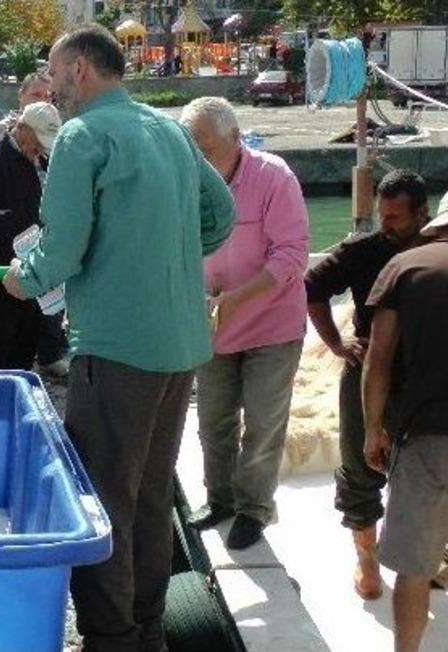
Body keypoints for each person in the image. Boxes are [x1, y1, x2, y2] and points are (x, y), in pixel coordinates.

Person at [2, 26, 234, 652]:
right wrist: (167, 249)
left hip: (116, 349)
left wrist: (22, 278)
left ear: (79, 70)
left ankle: (112, 638)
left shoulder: (82, 137)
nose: (51, 89)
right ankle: (149, 628)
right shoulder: (168, 130)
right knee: (152, 498)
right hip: (180, 345)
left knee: (104, 502)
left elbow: (62, 248)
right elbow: (221, 217)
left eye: (53, 74)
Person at [179, 97, 309, 550]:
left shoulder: (274, 177)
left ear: (236, 139)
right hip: (212, 320)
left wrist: (236, 298)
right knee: (213, 419)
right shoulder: (186, 181)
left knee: (263, 421)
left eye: (206, 149)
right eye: (190, 150)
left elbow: (292, 255)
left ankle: (254, 508)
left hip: (271, 323)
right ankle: (220, 498)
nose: (199, 160)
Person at [305, 169, 430, 600]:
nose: (387, 225)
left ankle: (426, 556)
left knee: (424, 469)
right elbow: (312, 285)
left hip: (423, 378)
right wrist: (337, 343)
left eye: (396, 217)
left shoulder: (435, 252)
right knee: (360, 469)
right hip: (366, 374)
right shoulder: (363, 251)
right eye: (383, 215)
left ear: (422, 214)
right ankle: (366, 559)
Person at [363, 195, 448, 652]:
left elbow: (377, 362)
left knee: (414, 569)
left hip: (427, 436)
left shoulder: (404, 267)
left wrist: (373, 430)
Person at [0, 72, 71, 377]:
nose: (40, 149)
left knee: (24, 344)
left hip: (32, 269)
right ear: (22, 128)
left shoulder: (42, 160)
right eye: (38, 141)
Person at [0, 73, 51, 147]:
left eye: (47, 97)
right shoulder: (1, 130)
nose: (43, 101)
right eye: (36, 95)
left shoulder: (53, 133)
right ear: (21, 95)